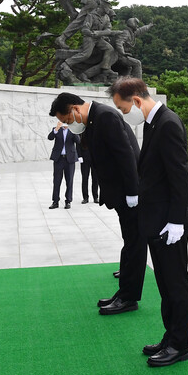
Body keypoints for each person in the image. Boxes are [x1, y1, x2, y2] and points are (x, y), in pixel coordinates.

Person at [110, 77, 188, 367]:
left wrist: (176, 221)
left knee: (176, 284)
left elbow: (178, 175)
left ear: (136, 101)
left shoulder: (168, 123)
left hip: (169, 222)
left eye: (123, 109)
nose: (125, 115)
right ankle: (169, 336)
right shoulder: (153, 122)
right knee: (164, 283)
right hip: (157, 218)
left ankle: (179, 345)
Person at [50, 92, 143, 316]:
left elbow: (125, 154)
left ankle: (129, 298)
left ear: (74, 108)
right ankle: (123, 293)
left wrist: (133, 192)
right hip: (120, 191)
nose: (69, 124)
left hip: (128, 191)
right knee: (129, 241)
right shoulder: (94, 118)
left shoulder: (105, 116)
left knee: (135, 244)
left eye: (68, 119)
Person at [47, 119, 81, 209]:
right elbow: (50, 137)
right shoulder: (57, 129)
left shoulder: (72, 130)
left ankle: (68, 201)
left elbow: (78, 141)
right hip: (58, 159)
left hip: (70, 159)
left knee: (69, 181)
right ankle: (55, 201)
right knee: (57, 181)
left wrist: (74, 129)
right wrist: (56, 129)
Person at [79, 127, 99, 204]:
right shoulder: (81, 131)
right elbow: (78, 144)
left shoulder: (96, 132)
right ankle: (85, 197)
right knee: (85, 178)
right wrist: (79, 156)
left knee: (95, 179)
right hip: (84, 158)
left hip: (94, 159)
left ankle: (95, 197)